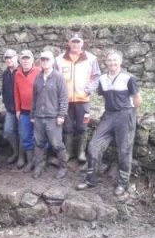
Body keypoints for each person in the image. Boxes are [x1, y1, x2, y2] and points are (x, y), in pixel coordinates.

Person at [76, 49, 142, 196]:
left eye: (115, 60)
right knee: (94, 145)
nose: (112, 63)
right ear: (105, 62)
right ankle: (90, 180)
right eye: (109, 60)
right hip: (108, 115)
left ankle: (122, 183)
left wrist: (129, 113)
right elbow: (104, 97)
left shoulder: (128, 78)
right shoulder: (103, 79)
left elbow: (138, 99)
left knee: (124, 149)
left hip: (125, 115)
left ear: (120, 62)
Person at [55, 31, 101, 170]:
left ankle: (81, 152)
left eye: (78, 41)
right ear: (68, 43)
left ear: (82, 43)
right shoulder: (59, 59)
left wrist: (89, 89)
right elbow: (55, 78)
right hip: (65, 101)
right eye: (73, 41)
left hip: (83, 99)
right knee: (67, 127)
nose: (75, 44)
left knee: (82, 127)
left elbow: (96, 76)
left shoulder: (91, 59)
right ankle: (68, 152)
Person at [31, 50, 69, 179]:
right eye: (43, 60)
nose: (45, 62)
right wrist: (32, 115)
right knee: (39, 143)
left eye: (47, 59)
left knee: (57, 144)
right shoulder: (38, 77)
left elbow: (64, 98)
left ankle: (63, 167)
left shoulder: (59, 77)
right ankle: (39, 165)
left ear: (53, 61)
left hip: (53, 117)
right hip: (39, 117)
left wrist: (61, 115)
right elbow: (34, 98)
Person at [13, 49, 40, 171]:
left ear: (32, 60)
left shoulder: (39, 71)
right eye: (23, 58)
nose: (25, 61)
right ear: (20, 60)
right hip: (23, 111)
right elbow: (16, 93)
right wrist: (18, 109)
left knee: (38, 137)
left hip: (37, 111)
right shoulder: (17, 74)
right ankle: (29, 161)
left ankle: (38, 161)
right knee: (25, 136)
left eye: (28, 58)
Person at [1, 49, 20, 164]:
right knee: (8, 131)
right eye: (6, 58)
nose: (9, 60)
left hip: (22, 109)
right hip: (10, 109)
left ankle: (23, 156)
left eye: (11, 57)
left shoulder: (22, 71)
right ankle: (16, 152)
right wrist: (5, 102)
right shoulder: (5, 73)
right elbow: (4, 89)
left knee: (22, 132)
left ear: (16, 57)